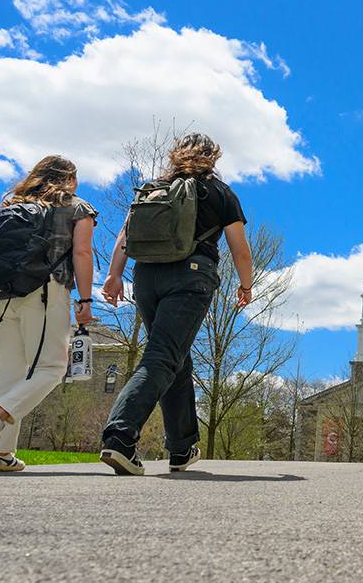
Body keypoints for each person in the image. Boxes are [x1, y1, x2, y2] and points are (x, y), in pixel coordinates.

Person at [100, 133, 252, 475]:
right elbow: (239, 248)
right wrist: (246, 285)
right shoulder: (220, 192)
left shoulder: (154, 187)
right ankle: (120, 436)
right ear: (213, 157)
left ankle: (182, 448)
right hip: (190, 275)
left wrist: (114, 275)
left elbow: (125, 235)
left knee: (175, 357)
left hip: (145, 279)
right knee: (162, 355)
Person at [0, 156, 97, 472]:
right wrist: (86, 300)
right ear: (70, 179)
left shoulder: (10, 208)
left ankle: (0, 453)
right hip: (45, 290)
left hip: (0, 296)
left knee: (8, 373)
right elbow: (81, 252)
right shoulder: (76, 207)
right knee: (52, 366)